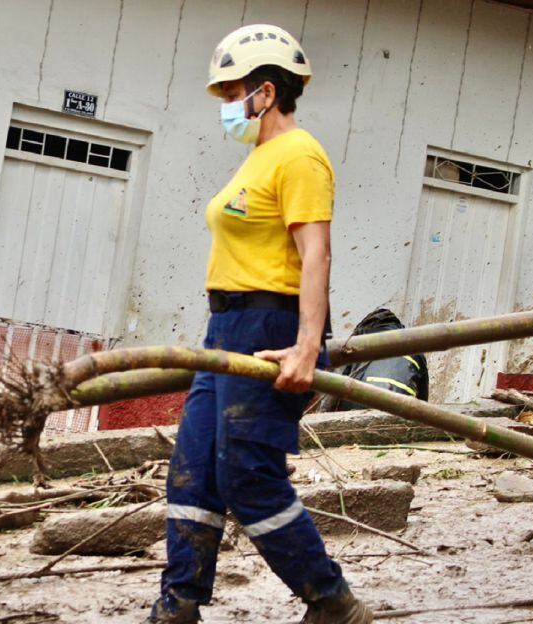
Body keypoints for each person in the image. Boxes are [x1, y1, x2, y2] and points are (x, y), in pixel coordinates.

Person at [145, 24, 373, 624]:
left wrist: (305, 347)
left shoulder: (300, 155)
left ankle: (332, 603)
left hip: (269, 328)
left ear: (265, 93)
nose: (225, 106)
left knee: (247, 475)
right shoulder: (259, 157)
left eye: (231, 93)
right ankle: (178, 607)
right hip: (225, 328)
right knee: (194, 473)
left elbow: (316, 253)